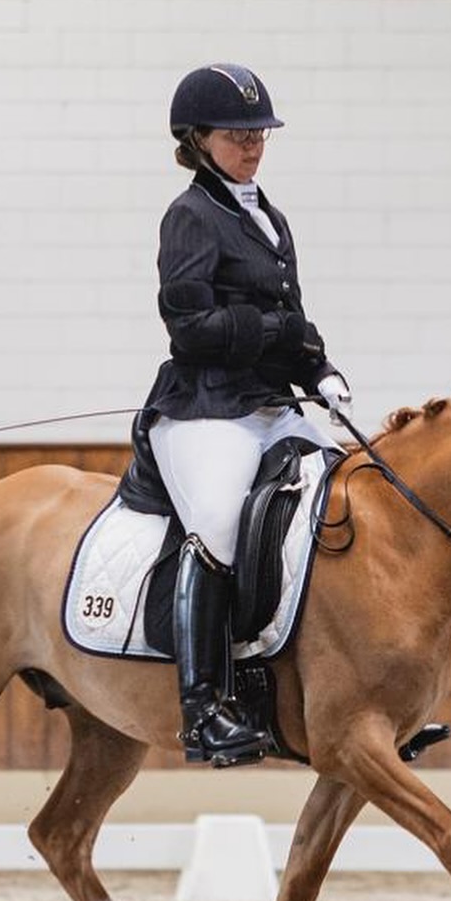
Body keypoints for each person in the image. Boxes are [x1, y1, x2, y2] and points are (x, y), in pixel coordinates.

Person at [141, 63, 353, 767]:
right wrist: (271, 335)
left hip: (270, 406)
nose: (252, 144)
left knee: (350, 496)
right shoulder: (191, 215)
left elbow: (291, 317)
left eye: (259, 133)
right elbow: (189, 326)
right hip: (205, 411)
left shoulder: (268, 214)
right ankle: (204, 708)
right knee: (220, 525)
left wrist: (316, 365)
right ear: (197, 139)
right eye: (237, 135)